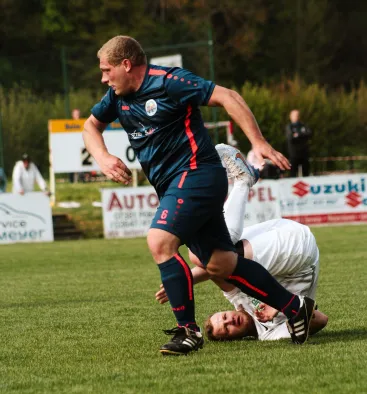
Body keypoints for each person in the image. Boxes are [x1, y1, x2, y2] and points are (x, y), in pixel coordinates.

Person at [82, 35, 315, 356]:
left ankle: (187, 331)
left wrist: (258, 142)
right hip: (175, 186)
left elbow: (229, 97)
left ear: (127, 65)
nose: (103, 78)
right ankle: (294, 307)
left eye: (107, 70)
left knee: (159, 241)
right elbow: (90, 127)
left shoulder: (170, 82)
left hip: (197, 175)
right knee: (221, 264)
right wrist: (104, 158)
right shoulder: (115, 97)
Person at [156, 143, 328, 341]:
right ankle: (238, 181)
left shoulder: (238, 300)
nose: (230, 321)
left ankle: (220, 186)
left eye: (225, 317)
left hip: (280, 232)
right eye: (228, 329)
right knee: (206, 251)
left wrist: (183, 281)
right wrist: (280, 305)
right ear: (235, 337)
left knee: (202, 254)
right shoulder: (268, 333)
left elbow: (213, 268)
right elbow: (321, 320)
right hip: (298, 257)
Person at [285, 109, 312, 177]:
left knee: (306, 173)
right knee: (293, 174)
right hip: (294, 154)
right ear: (290, 117)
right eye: (294, 115)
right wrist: (301, 135)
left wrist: (297, 135)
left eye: (297, 115)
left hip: (304, 154)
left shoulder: (303, 125)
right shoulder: (289, 127)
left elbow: (309, 134)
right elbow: (290, 137)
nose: (296, 117)